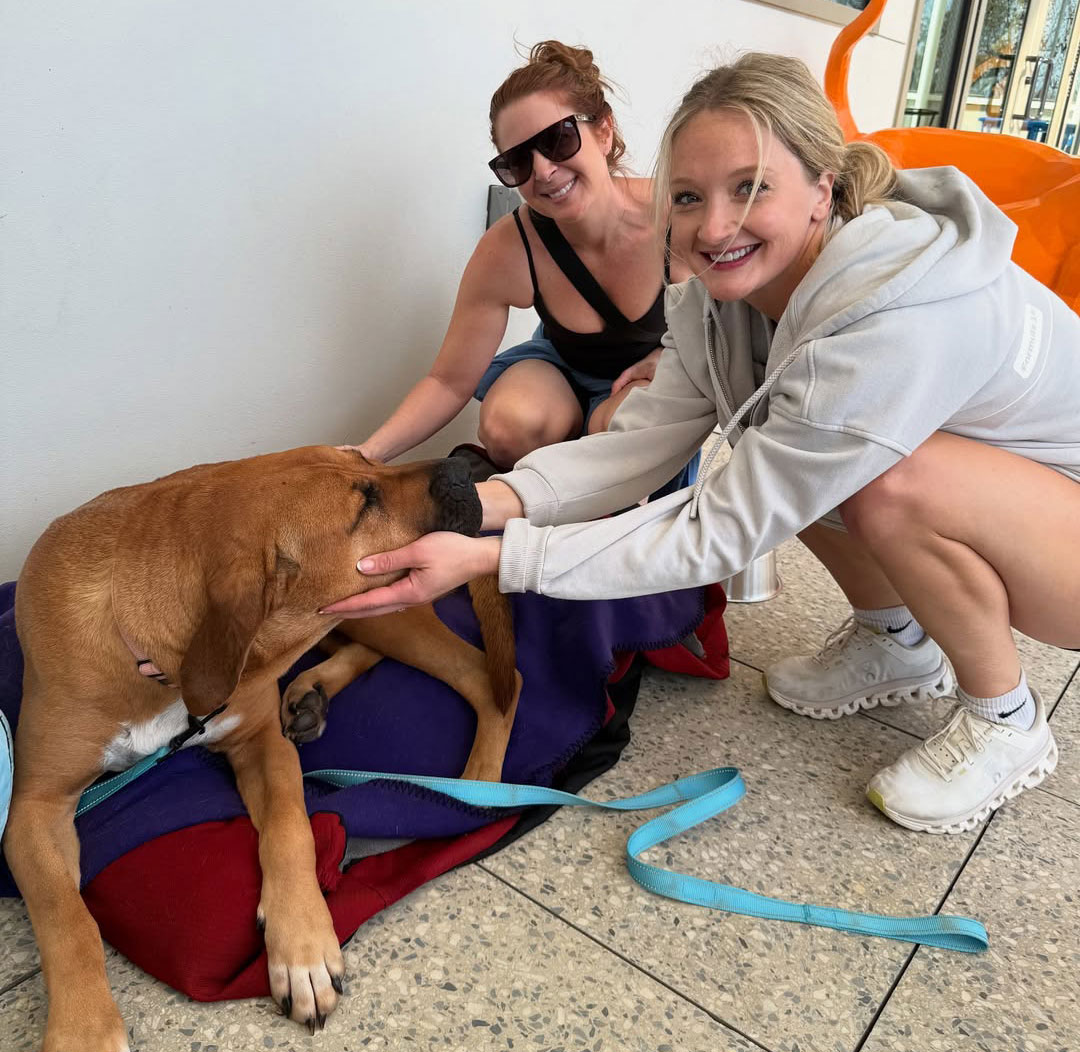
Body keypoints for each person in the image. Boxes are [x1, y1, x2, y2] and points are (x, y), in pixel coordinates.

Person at [326, 53, 1080, 836]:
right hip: (1009, 492)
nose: (714, 227)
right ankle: (898, 640)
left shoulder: (888, 325)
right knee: (813, 456)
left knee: (887, 481)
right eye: (689, 197)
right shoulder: (720, 300)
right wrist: (470, 506)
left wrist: (495, 557)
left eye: (750, 189)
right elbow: (637, 444)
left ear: (823, 186)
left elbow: (719, 527)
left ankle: (1007, 719)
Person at [357, 41, 688, 477]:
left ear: (603, 133)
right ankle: (548, 484)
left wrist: (678, 358)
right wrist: (363, 458)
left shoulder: (681, 215)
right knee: (509, 422)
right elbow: (448, 381)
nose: (544, 172)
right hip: (559, 373)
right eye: (518, 162)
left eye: (558, 139)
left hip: (648, 385)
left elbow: (744, 318)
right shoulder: (510, 248)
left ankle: (582, 486)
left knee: (629, 427)